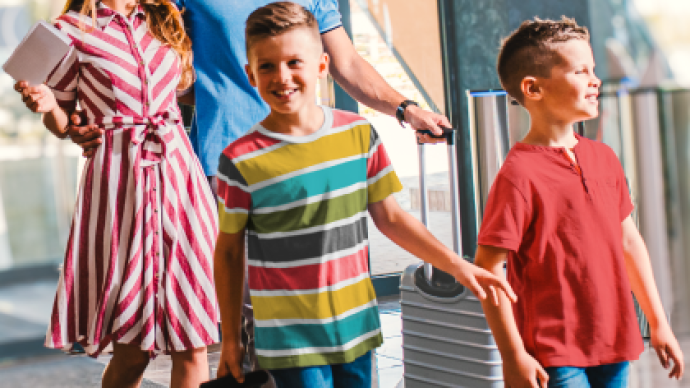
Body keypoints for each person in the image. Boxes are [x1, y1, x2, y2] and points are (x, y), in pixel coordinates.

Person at [212, 3, 518, 387]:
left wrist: (458, 266)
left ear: (322, 66)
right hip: (290, 339)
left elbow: (391, 219)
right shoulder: (240, 159)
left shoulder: (359, 135)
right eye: (267, 66)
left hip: (357, 326)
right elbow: (227, 252)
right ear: (250, 76)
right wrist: (229, 341)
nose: (282, 76)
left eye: (294, 62)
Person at [14, 0, 219, 387]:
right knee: (133, 347)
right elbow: (63, 119)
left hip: (179, 180)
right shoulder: (69, 30)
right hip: (119, 185)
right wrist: (46, 106)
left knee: (193, 338)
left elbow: (187, 88)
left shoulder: (164, 18)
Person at [473, 17, 685, 388]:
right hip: (553, 353)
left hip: (615, 342)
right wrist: (512, 356)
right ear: (533, 88)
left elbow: (629, 243)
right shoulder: (517, 175)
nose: (595, 80)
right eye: (580, 71)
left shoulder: (604, 158)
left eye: (594, 70)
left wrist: (659, 322)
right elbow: (489, 269)